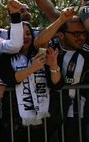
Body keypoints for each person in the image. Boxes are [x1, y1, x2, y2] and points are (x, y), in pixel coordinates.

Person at [34, 9, 89, 141]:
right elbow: (39, 43)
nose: (81, 37)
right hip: (54, 114)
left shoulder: (86, 50)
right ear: (61, 35)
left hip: (81, 115)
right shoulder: (53, 48)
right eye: (76, 34)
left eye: (83, 33)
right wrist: (61, 20)